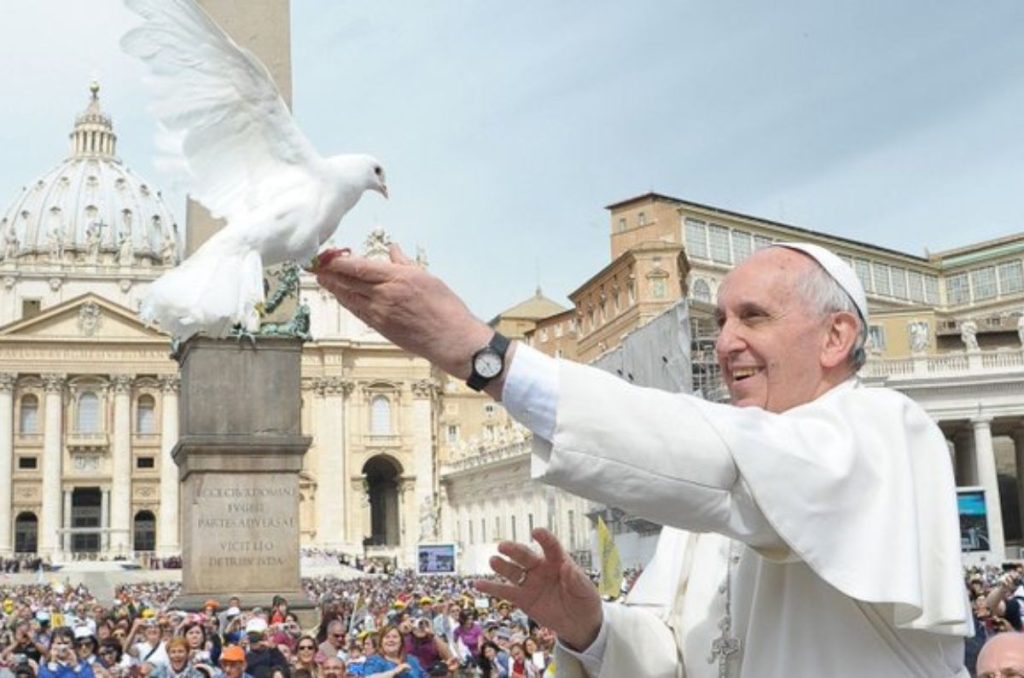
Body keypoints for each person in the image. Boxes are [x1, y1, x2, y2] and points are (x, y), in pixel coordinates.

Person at [316, 242, 971, 676]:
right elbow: (668, 657)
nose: (726, 344)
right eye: (720, 324)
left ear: (836, 336)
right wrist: (592, 626)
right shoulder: (710, 503)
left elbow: (728, 462)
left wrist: (484, 357)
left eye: (754, 318)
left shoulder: (888, 431)